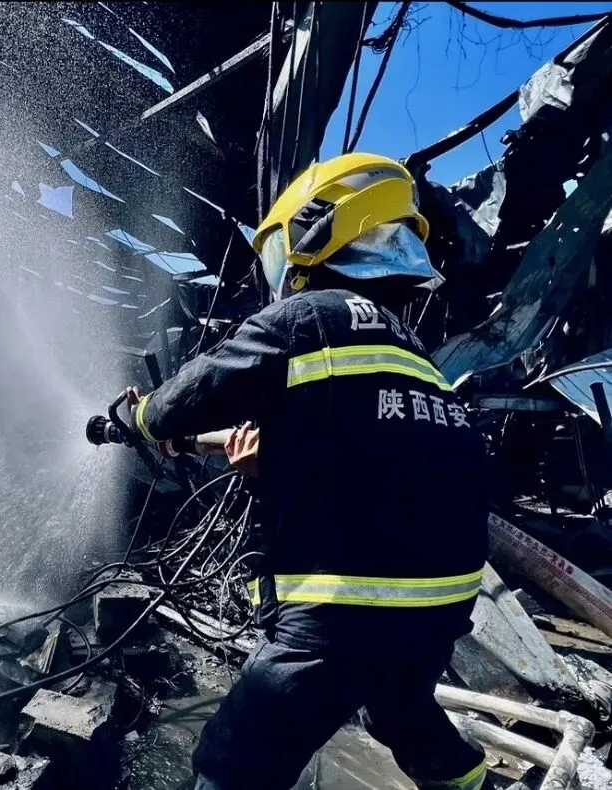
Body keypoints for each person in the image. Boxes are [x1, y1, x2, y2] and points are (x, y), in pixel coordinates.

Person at [126, 152, 492, 790]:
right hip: (442, 608)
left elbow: (179, 404)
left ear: (316, 230)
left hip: (342, 611)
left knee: (233, 762)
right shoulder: (415, 358)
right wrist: (270, 462)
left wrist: (136, 417)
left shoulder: (308, 318)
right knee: (402, 713)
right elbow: (373, 465)